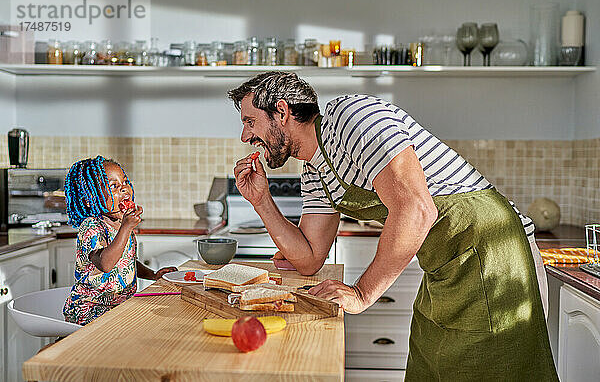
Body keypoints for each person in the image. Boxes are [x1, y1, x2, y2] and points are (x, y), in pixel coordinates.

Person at [229, 72, 557, 380]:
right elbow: (310, 257)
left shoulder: (352, 116)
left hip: (494, 257)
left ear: (282, 112)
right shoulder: (314, 172)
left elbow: (415, 209)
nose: (246, 136)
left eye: (250, 121)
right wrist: (261, 201)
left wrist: (362, 293)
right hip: (444, 270)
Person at [62, 156, 177, 326]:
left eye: (125, 182)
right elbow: (105, 263)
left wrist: (153, 275)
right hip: (91, 309)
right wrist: (126, 228)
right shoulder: (92, 226)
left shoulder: (122, 225)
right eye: (114, 186)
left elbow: (127, 263)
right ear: (89, 198)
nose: (124, 189)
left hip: (118, 306)